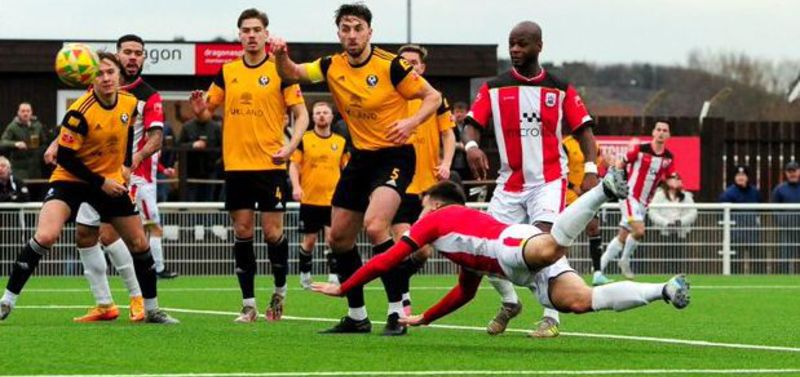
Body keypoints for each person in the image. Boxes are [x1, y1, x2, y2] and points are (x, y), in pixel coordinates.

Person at [312, 177, 690, 333]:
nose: (419, 211)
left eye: (423, 203)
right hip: (518, 265)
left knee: (551, 246)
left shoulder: (438, 220)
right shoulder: (458, 239)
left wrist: (345, 287)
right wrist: (424, 318)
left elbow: (386, 259)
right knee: (580, 301)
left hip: (511, 244)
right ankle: (664, 290)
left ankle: (602, 192)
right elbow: (465, 292)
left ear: (437, 203)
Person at [271, 3, 442, 335]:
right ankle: (358, 316)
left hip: (395, 156)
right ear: (338, 34)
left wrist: (411, 120)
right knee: (338, 239)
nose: (352, 34)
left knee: (377, 227)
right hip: (360, 159)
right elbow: (290, 73)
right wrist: (279, 53)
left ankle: (396, 313)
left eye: (358, 28)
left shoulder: (392, 66)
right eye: (345, 29)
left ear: (369, 32)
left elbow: (432, 97)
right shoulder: (330, 65)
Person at [0, 52, 177, 324]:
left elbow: (129, 135)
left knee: (140, 243)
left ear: (119, 76)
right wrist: (101, 182)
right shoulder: (79, 112)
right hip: (71, 180)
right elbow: (67, 158)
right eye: (100, 73)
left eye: (110, 72)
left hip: (109, 181)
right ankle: (6, 302)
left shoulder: (130, 103)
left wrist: (126, 167)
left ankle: (151, 309)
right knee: (46, 236)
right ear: (90, 78)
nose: (106, 78)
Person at [463, 21, 600, 337]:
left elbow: (585, 132)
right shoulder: (494, 88)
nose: (515, 50)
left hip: (548, 181)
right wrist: (471, 146)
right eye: (511, 44)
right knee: (486, 250)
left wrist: (591, 170)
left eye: (522, 44)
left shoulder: (559, 88)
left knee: (544, 245)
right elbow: (471, 124)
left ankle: (551, 317)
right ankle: (510, 303)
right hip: (508, 184)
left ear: (539, 45)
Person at [190, 8, 309, 323]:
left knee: (272, 233)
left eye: (257, 29)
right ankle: (248, 305)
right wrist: (200, 109)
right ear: (239, 35)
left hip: (270, 165)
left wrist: (291, 145)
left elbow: (302, 114)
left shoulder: (280, 70)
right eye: (246, 30)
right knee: (242, 230)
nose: (252, 35)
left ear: (266, 34)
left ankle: (280, 294)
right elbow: (206, 114)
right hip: (237, 167)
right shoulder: (227, 71)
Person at [389, 44, 455, 324]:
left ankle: (397, 284)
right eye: (404, 63)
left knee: (424, 251)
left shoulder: (435, 99)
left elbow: (449, 136)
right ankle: (401, 299)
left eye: (414, 63)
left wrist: (447, 163)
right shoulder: (390, 97)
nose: (409, 67)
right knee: (404, 244)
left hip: (428, 188)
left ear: (422, 68)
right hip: (398, 184)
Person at [598, 121, 675, 281]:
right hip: (629, 196)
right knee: (639, 231)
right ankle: (624, 261)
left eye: (664, 130)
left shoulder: (668, 158)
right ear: (653, 132)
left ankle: (599, 269)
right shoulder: (640, 150)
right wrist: (617, 178)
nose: (661, 133)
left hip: (643, 203)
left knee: (623, 235)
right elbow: (621, 163)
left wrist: (673, 183)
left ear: (668, 135)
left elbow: (669, 178)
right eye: (658, 129)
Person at [289, 101, 349, 288]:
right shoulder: (304, 139)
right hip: (310, 199)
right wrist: (296, 187)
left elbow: (346, 168)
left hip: (333, 200)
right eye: (318, 113)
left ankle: (333, 275)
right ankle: (305, 275)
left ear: (331, 117)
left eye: (325, 112)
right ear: (313, 117)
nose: (322, 115)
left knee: (333, 238)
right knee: (310, 239)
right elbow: (294, 165)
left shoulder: (340, 142)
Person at [178, 115, 221, 202]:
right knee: (191, 204)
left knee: (209, 203)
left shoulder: (216, 128)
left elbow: (222, 148)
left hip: (210, 173)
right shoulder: (187, 127)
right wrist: (192, 145)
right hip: (191, 174)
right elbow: (179, 146)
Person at [2, 102, 50, 181]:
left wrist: (39, 153)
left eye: (28, 111)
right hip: (19, 169)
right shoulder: (13, 126)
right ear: (18, 113)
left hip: (35, 168)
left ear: (31, 112)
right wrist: (15, 144)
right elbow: (2, 142)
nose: (25, 113)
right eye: (23, 111)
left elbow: (44, 143)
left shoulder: (37, 125)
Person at [648, 172, 697, 239]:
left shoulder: (686, 196)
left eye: (678, 179)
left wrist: (681, 222)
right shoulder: (659, 195)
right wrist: (665, 223)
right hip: (663, 233)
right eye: (673, 178)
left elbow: (693, 212)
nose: (676, 181)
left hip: (681, 233)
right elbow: (652, 212)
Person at [772, 160, 800, 274]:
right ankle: (785, 279)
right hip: (787, 230)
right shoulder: (779, 189)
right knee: (785, 257)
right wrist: (785, 222)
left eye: (794, 171)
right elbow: (774, 209)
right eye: (790, 171)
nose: (792, 173)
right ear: (785, 173)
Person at [449, 101, 471, 184]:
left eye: (462, 112)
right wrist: (461, 146)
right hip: (452, 164)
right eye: (457, 112)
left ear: (466, 113)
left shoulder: (469, 126)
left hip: (468, 165)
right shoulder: (450, 126)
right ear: (453, 113)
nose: (459, 115)